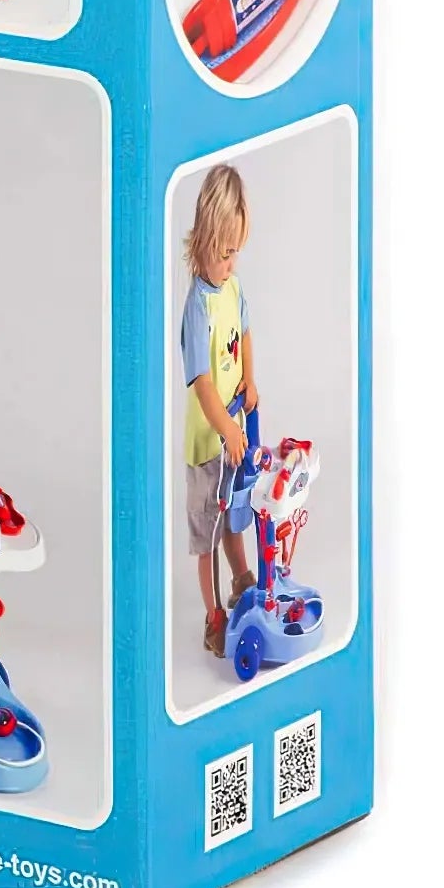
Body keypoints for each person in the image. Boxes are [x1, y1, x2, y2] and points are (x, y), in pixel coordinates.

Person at [180, 163, 258, 657]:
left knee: (236, 513)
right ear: (204, 241)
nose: (230, 263)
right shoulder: (197, 306)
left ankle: (242, 578)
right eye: (224, 252)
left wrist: (251, 378)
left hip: (234, 429)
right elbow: (202, 381)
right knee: (209, 528)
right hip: (209, 443)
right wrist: (226, 427)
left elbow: (245, 333)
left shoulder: (233, 288)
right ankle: (213, 616)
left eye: (235, 253)